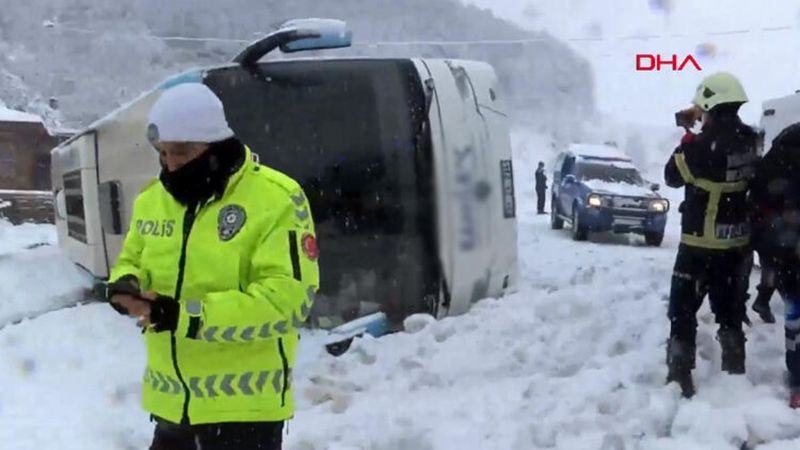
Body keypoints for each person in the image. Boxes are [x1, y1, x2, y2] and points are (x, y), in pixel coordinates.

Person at [104, 82, 319, 449]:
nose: (171, 166)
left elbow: (288, 300)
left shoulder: (277, 198)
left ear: (215, 145)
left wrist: (184, 316)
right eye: (163, 154)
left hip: (244, 413)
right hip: (172, 405)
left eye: (182, 153)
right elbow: (133, 259)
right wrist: (125, 283)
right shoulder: (152, 200)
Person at [663, 71, 759, 398]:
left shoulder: (697, 148)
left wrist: (688, 135)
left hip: (697, 245)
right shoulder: (752, 141)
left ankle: (679, 377)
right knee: (729, 311)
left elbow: (671, 177)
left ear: (707, 103)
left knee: (682, 310)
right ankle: (734, 373)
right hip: (735, 247)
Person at [749, 122, 800, 407]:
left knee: (795, 311)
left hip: (784, 246)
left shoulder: (781, 148)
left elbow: (759, 193)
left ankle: (798, 384)